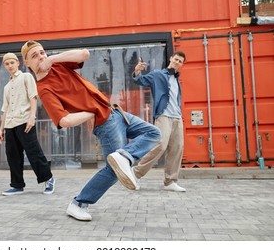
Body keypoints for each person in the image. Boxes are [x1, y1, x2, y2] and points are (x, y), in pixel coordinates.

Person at [21, 40, 162, 221]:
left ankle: (125, 156)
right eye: (34, 56)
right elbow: (64, 120)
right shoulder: (44, 89)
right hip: (105, 122)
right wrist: (91, 111)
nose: (41, 57)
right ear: (27, 63)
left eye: (42, 53)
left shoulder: (58, 65)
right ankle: (78, 204)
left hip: (116, 112)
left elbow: (85, 54)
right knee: (113, 171)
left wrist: (53, 59)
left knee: (154, 133)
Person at [0, 52, 55, 196]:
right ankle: (17, 185)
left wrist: (32, 117)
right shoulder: (6, 87)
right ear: (5, 66)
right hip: (10, 124)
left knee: (33, 152)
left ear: (18, 63)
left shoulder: (26, 77)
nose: (10, 65)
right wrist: (1, 129)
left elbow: (33, 98)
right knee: (13, 155)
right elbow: (5, 109)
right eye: (7, 63)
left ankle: (48, 178)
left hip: (24, 121)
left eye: (12, 62)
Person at [132, 51, 187, 192]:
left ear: (182, 65)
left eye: (180, 61)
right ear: (171, 59)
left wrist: (180, 115)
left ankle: (170, 181)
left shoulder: (177, 80)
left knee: (177, 148)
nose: (177, 62)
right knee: (160, 146)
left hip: (177, 118)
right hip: (163, 116)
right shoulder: (158, 75)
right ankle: (136, 173)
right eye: (176, 59)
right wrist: (137, 71)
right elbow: (140, 80)